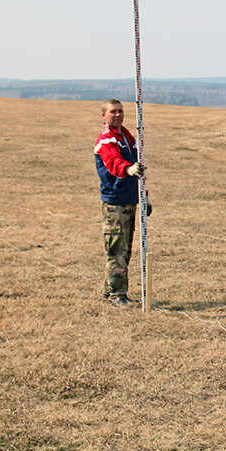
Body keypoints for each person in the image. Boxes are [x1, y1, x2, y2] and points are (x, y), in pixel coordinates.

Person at [93, 99, 145, 307]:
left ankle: (113, 290)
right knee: (116, 248)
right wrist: (128, 169)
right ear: (104, 115)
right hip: (115, 201)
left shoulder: (128, 137)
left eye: (120, 111)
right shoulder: (106, 140)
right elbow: (114, 162)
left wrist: (144, 195)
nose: (117, 115)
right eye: (113, 112)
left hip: (130, 199)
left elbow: (140, 167)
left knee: (126, 249)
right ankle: (117, 295)